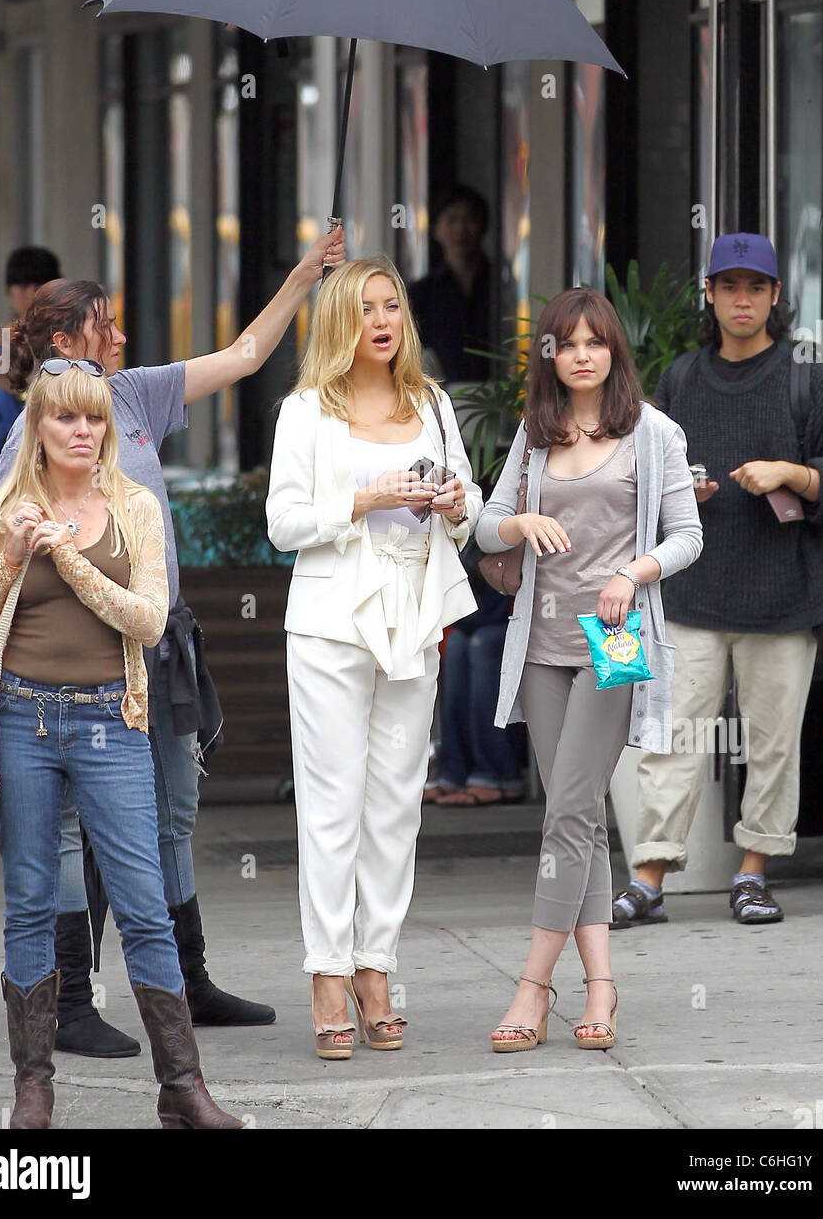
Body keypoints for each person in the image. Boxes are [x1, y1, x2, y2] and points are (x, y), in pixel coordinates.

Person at [0, 226, 346, 1057]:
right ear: (62, 342)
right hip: (82, 666)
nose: (121, 336)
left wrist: (301, 275)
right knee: (77, 827)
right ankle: (71, 1002)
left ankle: (188, 983)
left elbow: (248, 354)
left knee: (174, 811)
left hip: (162, 643)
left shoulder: (141, 394)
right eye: (105, 326)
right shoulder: (34, 433)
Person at [0, 361, 242, 1129]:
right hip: (22, 716)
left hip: (112, 719)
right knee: (29, 902)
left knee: (145, 906)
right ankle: (33, 1089)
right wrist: (15, 557)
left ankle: (181, 1088)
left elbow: (147, 621)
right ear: (38, 432)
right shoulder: (3, 513)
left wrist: (71, 561)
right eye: (66, 421)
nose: (83, 433)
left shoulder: (135, 506)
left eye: (94, 420)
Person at [265, 255, 482, 1058]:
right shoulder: (304, 411)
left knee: (395, 803)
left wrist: (459, 502)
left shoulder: (429, 401)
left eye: (390, 306)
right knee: (332, 806)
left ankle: (374, 967)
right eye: (364, 309)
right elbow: (283, 522)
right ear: (338, 324)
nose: (382, 321)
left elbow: (467, 507)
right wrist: (368, 497)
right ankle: (326, 972)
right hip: (330, 617)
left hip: (414, 612)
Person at [612, 233, 823, 929]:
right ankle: (648, 877)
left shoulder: (805, 380)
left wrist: (790, 474)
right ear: (710, 296)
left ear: (776, 296)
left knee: (772, 745)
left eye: (755, 287)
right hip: (691, 592)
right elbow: (644, 478)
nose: (741, 299)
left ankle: (752, 875)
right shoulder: (682, 378)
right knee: (669, 738)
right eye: (728, 287)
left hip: (782, 598)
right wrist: (677, 495)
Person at [476, 288, 702, 1052]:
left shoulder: (653, 433)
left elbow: (686, 535)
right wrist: (518, 520)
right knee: (578, 820)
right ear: (549, 355)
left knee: (567, 811)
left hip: (614, 642)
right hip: (539, 647)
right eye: (565, 343)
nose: (579, 354)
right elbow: (482, 521)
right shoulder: (535, 434)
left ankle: (533, 985)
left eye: (593, 342)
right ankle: (600, 986)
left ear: (612, 352)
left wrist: (631, 574)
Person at [0, 248, 61, 489]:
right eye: (22, 285)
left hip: (63, 482)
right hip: (8, 483)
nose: (31, 294)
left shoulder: (66, 345)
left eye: (38, 284)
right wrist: (12, 435)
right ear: (9, 291)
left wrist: (21, 391)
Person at [426, 576, 525, 806]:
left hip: (521, 615)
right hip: (481, 614)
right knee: (457, 644)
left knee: (483, 644)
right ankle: (454, 773)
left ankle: (497, 774)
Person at [407, 184, 493, 382]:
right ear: (436, 229)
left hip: (496, 396)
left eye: (469, 219)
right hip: (440, 395)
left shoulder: (500, 287)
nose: (461, 229)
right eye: (452, 219)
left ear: (483, 226)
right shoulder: (422, 293)